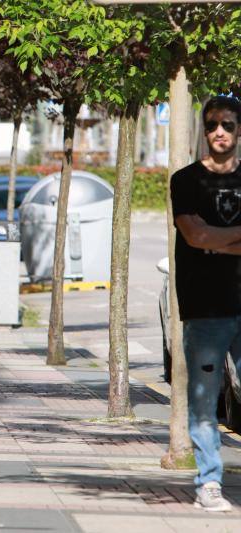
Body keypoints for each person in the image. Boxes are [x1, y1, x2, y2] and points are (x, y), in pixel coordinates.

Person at [171, 95, 241, 513]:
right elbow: (195, 237)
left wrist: (217, 241)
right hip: (205, 307)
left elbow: (207, 237)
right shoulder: (186, 181)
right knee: (204, 398)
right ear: (203, 128)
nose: (220, 131)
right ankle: (209, 483)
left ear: (239, 130)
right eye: (213, 124)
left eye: (228, 125)